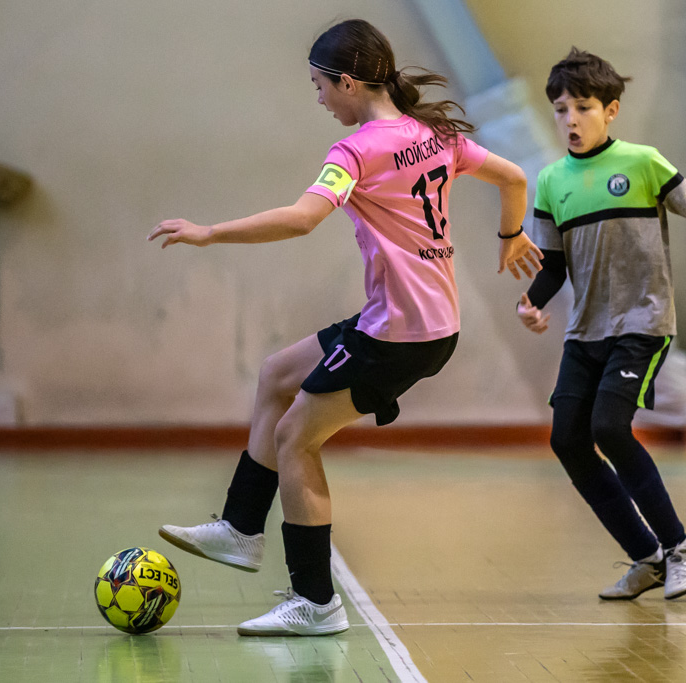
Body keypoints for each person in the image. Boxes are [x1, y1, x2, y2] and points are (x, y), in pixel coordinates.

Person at [147, 19, 542, 636]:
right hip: (426, 322)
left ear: (349, 83)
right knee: (278, 374)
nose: (320, 99)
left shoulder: (356, 151)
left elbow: (302, 219)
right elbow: (515, 177)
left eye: (320, 86)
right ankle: (241, 528)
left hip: (397, 336)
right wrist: (511, 234)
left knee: (295, 438)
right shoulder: (434, 135)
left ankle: (315, 603)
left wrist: (209, 232)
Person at [516, 48, 686, 601]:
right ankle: (647, 558)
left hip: (642, 323)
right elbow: (554, 265)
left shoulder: (643, 163)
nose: (571, 120)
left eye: (583, 107)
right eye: (560, 110)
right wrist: (531, 302)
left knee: (609, 427)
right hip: (585, 332)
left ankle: (681, 549)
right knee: (567, 440)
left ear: (611, 110)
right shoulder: (550, 181)